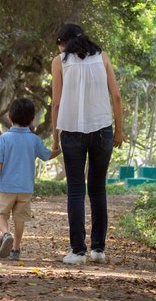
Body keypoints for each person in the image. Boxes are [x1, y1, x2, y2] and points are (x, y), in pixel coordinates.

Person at [51, 23, 125, 265]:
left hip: (71, 131)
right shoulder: (102, 57)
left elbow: (56, 104)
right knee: (97, 189)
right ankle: (99, 250)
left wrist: (55, 137)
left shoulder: (59, 62)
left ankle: (77, 252)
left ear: (64, 42)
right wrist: (119, 131)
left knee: (75, 189)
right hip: (102, 129)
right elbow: (116, 95)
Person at [0, 98, 61, 261]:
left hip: (6, 187)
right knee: (20, 219)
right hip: (25, 188)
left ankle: (6, 233)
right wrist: (59, 149)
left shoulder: (4, 139)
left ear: (10, 117)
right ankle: (16, 249)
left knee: (1, 214)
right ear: (32, 119)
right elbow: (47, 155)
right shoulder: (34, 140)